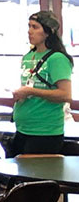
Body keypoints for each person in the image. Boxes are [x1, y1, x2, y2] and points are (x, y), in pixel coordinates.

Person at [10, 10, 74, 156]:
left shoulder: (57, 58)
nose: (29, 31)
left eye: (35, 27)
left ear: (47, 32)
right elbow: (33, 85)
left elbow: (65, 95)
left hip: (44, 132)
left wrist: (30, 91)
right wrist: (22, 93)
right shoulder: (29, 56)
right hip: (22, 128)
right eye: (29, 26)